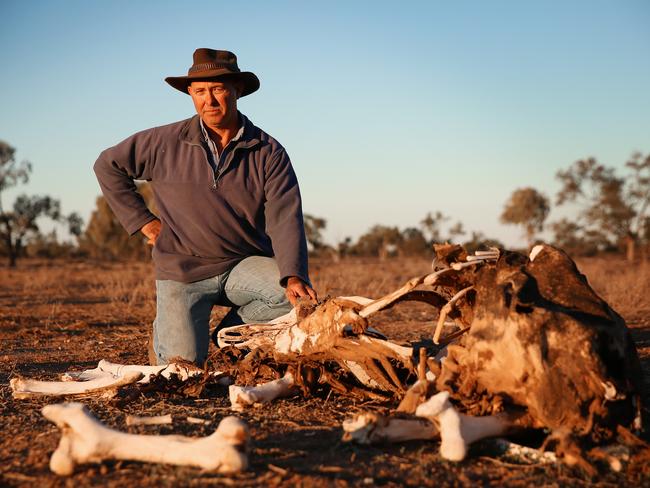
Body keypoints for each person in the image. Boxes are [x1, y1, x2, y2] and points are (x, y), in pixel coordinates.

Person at [94, 48, 316, 366]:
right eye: (199, 91)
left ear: (237, 90)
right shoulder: (163, 142)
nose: (208, 100)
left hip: (243, 263)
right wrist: (144, 222)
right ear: (190, 94)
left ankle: (229, 336)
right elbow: (107, 165)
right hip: (182, 269)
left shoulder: (268, 151)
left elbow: (285, 216)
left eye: (217, 89)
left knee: (296, 301)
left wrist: (294, 275)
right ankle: (168, 333)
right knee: (183, 370)